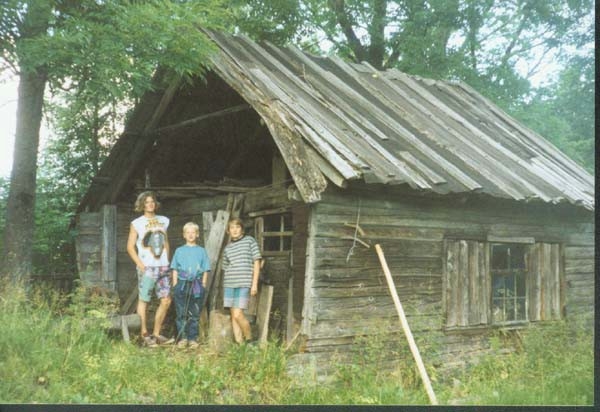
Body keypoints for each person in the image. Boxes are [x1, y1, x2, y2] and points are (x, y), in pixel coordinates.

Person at [126, 191, 173, 347]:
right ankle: (144, 334)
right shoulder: (137, 223)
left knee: (166, 300)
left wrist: (167, 260)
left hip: (163, 267)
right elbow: (130, 247)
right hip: (147, 267)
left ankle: (156, 334)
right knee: (144, 299)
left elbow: (166, 242)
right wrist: (140, 264)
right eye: (146, 202)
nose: (150, 204)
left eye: (152, 201)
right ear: (142, 205)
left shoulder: (163, 220)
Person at [170, 222, 210, 349]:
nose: (190, 235)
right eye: (188, 232)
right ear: (184, 235)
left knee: (195, 312)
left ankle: (193, 338)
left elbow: (206, 269)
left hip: (196, 284)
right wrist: (175, 284)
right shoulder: (179, 250)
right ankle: (183, 338)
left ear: (197, 234)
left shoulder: (201, 251)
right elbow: (174, 268)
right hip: (182, 283)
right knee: (181, 312)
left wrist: (203, 284)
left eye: (193, 232)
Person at [222, 217, 262, 344]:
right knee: (234, 315)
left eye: (237, 227)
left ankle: (250, 340)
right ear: (228, 231)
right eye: (232, 228)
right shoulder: (227, 248)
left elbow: (257, 262)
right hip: (229, 284)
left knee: (238, 314)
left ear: (242, 229)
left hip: (244, 283)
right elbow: (225, 267)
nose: (234, 230)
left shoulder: (250, 241)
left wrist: (254, 284)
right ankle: (240, 344)